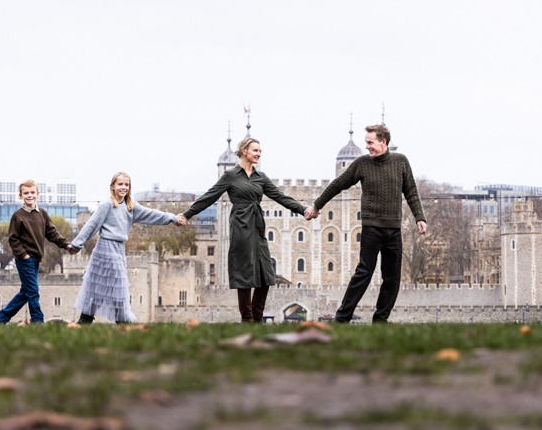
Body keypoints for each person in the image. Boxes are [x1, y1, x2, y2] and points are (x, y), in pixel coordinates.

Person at [304, 124, 427, 323]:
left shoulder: (401, 161)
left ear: (383, 142)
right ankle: (342, 318)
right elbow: (338, 184)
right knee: (363, 273)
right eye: (366, 143)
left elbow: (411, 191)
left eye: (370, 143)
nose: (367, 146)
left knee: (392, 278)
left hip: (394, 230)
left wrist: (420, 217)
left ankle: (380, 320)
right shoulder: (362, 164)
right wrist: (317, 206)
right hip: (371, 229)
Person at [179, 137, 308, 322]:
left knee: (266, 274)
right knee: (244, 274)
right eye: (255, 150)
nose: (258, 154)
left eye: (260, 151)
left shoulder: (260, 177)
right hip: (240, 226)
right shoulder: (231, 175)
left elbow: (281, 197)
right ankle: (247, 320)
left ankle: (257, 317)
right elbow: (209, 196)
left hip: (257, 227)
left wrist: (303, 210)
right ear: (244, 151)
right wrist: (187, 214)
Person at [70, 172, 185, 323]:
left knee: (105, 285)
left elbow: (152, 214)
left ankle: (85, 321)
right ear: (112, 187)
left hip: (119, 249)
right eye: (120, 184)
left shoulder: (131, 207)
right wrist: (76, 244)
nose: (123, 187)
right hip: (105, 247)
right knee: (110, 285)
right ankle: (120, 321)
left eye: (126, 185)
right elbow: (91, 225)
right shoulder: (107, 204)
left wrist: (173, 218)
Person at [0, 179, 75, 324]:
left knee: (25, 293)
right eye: (26, 193)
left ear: (37, 194)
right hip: (24, 260)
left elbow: (52, 233)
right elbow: (13, 239)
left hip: (36, 259)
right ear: (21, 196)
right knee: (33, 291)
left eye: (32, 192)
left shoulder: (42, 213)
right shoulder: (18, 216)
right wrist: (24, 255)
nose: (29, 195)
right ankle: (37, 321)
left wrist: (66, 245)